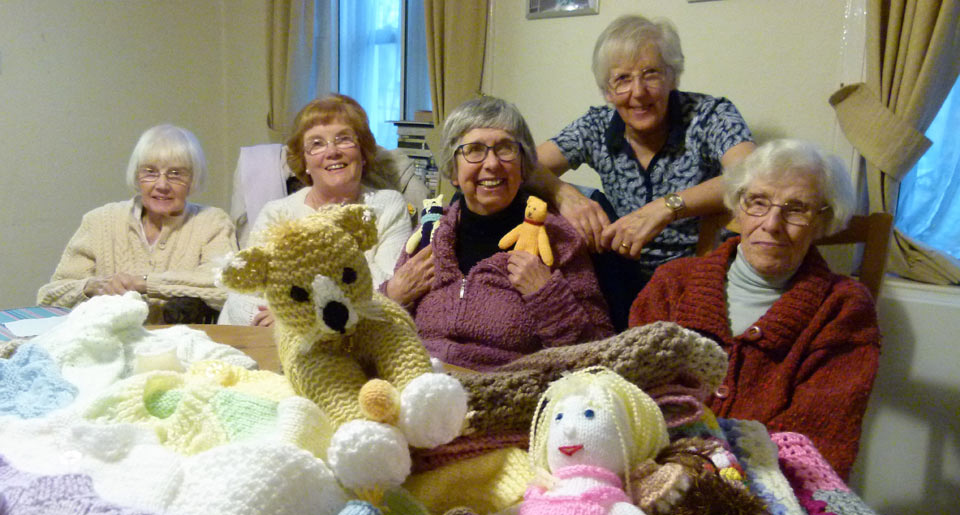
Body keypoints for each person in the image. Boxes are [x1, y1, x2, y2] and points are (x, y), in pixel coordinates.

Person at [628, 139, 880, 479]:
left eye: (796, 208)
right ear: (738, 208)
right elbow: (629, 400)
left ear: (822, 221)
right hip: (652, 478)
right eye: (758, 202)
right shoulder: (672, 284)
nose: (772, 223)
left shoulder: (842, 308)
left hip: (769, 495)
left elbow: (819, 447)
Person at [528, 14, 756, 329]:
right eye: (622, 79)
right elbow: (524, 164)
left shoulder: (710, 114)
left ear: (672, 77)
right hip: (620, 279)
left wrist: (668, 207)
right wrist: (565, 194)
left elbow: (754, 176)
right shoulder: (596, 125)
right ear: (607, 91)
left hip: (700, 278)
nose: (638, 92)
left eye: (651, 74)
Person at [382, 96, 614, 371]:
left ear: (523, 166)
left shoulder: (558, 239)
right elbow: (375, 335)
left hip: (506, 395)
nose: (491, 163)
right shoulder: (429, 234)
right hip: (418, 386)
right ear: (453, 171)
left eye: (505, 149)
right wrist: (391, 296)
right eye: (474, 150)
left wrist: (547, 295)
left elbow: (599, 357)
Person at [218, 94, 412, 326]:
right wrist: (286, 320)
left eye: (343, 139)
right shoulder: (277, 213)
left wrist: (295, 316)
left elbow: (388, 286)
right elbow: (243, 291)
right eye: (317, 144)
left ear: (362, 153)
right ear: (305, 162)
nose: (332, 152)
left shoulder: (387, 206)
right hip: (267, 340)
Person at [37, 124, 237, 324]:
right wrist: (91, 286)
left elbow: (228, 288)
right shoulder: (99, 221)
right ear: (136, 175)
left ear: (193, 179)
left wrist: (146, 283)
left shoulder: (213, 222)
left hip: (182, 346)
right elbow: (49, 296)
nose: (162, 185)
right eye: (150, 172)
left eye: (176, 174)